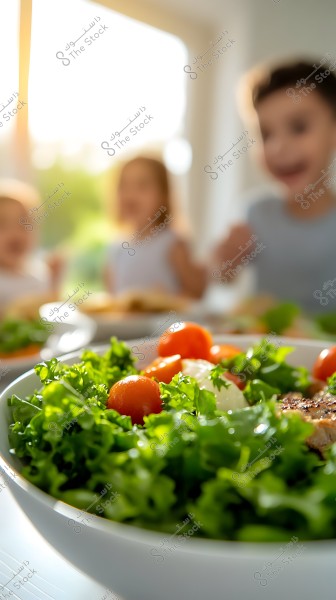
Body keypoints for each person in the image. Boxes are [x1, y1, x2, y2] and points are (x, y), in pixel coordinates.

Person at [214, 59, 336, 313]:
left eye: (298, 127)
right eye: (265, 134)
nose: (278, 147)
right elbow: (223, 278)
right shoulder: (255, 212)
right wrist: (225, 262)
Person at [105, 157, 206, 299]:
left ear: (163, 195)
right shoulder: (116, 249)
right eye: (124, 186)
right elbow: (113, 298)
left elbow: (195, 294)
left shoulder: (173, 244)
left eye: (142, 186)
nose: (131, 194)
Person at [0, 180, 62, 315]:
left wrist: (55, 280)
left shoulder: (39, 276)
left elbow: (49, 313)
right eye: (3, 224)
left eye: (24, 224)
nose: (15, 233)